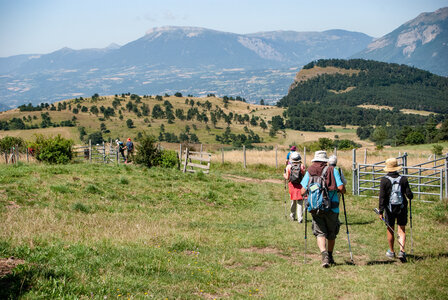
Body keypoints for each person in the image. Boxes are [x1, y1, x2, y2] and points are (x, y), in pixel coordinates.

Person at [300, 150, 346, 268]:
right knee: (331, 233)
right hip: (332, 207)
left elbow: (302, 191)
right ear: (325, 161)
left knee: (320, 233)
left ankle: (324, 255)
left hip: (315, 207)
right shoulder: (332, 170)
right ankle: (330, 256)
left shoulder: (309, 171)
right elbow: (341, 187)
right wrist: (342, 190)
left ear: (315, 160)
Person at [378, 157, 413, 262]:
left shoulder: (384, 180)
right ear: (397, 167)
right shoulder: (403, 179)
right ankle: (402, 251)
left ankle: (392, 251)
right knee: (401, 229)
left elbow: (382, 197)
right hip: (401, 207)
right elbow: (409, 195)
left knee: (390, 229)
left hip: (389, 208)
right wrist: (410, 196)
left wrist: (381, 211)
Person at [283, 152, 306, 222]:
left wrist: (284, 174)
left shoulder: (289, 167)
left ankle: (292, 216)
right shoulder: (302, 166)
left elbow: (287, 177)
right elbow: (304, 176)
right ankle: (300, 218)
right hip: (300, 185)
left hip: (292, 185)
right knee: (300, 201)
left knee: (293, 200)